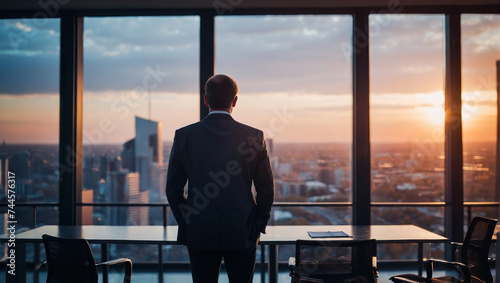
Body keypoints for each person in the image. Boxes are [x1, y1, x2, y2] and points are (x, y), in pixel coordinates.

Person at [166, 74, 275, 283]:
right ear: (235, 101)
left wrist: (187, 220)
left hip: (199, 231)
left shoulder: (184, 136)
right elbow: (266, 190)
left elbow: (173, 190)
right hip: (242, 231)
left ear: (205, 100)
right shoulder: (255, 137)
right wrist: (257, 223)